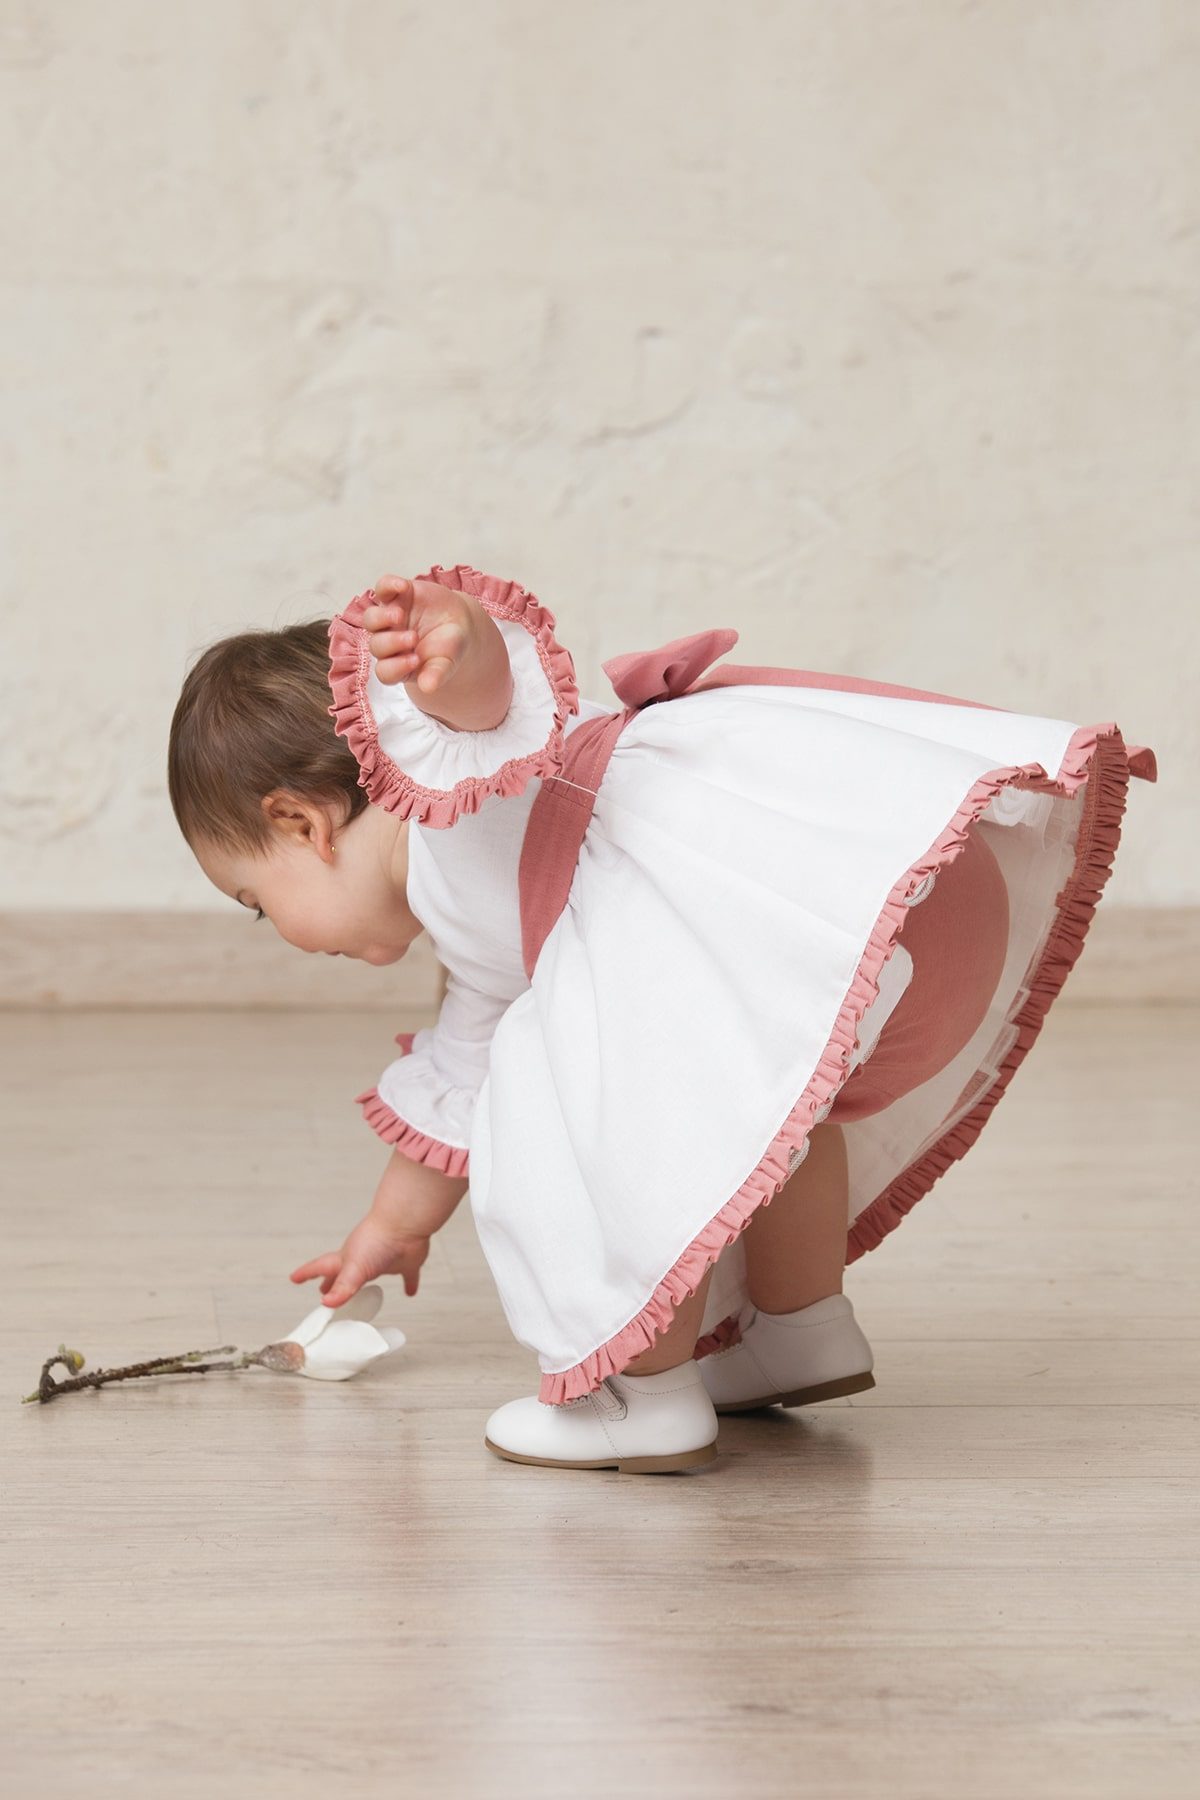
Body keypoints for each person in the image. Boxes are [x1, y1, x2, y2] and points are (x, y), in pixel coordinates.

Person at [168, 564, 1157, 1475]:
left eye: (256, 899)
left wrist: (453, 648)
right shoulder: (494, 945)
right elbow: (458, 1076)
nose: (274, 927)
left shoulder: (450, 783)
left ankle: (637, 1402)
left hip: (834, 894)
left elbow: (486, 707)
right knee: (770, 1118)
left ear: (300, 821)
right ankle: (799, 1332)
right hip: (898, 903)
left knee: (590, 1120)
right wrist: (390, 1229)